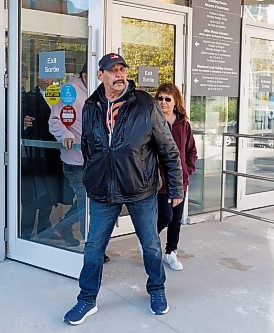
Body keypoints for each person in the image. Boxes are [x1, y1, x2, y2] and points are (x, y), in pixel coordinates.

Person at [63, 53, 183, 325]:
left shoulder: (144, 104)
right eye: (112, 70)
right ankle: (86, 299)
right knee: (93, 247)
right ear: (100, 76)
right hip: (103, 191)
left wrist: (175, 186)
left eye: (122, 70)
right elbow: (89, 147)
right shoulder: (91, 105)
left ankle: (157, 290)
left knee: (151, 245)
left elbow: (168, 149)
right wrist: (91, 178)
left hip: (140, 189)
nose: (119, 75)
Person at [48, 64, 110, 261]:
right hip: (76, 160)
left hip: (97, 160)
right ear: (85, 75)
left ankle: (60, 228)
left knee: (89, 202)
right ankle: (92, 248)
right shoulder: (71, 91)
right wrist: (66, 135)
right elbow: (55, 120)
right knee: (87, 204)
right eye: (98, 75)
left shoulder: (99, 92)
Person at [155, 83, 197, 271]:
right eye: (160, 98)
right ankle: (147, 238)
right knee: (165, 215)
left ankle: (171, 252)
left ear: (175, 102)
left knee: (176, 219)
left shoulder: (183, 124)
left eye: (167, 99)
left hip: (180, 180)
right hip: (161, 180)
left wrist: (188, 169)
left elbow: (191, 151)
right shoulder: (152, 122)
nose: (163, 102)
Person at [21, 76, 68, 238]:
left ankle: (44, 229)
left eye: (50, 75)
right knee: (31, 197)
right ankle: (24, 233)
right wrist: (22, 123)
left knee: (49, 195)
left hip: (54, 154)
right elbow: (12, 122)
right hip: (34, 154)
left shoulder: (62, 97)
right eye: (42, 75)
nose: (47, 80)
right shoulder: (27, 97)